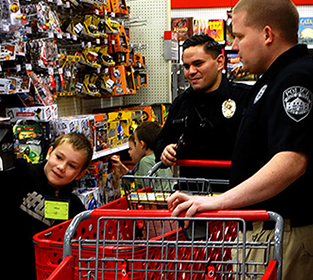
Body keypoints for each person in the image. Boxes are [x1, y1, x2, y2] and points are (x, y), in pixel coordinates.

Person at [167, 0, 313, 279]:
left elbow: (291, 160)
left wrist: (217, 201)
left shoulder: (295, 78)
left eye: (239, 36)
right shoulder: (274, 79)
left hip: (284, 234)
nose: (233, 46)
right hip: (268, 233)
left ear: (267, 35)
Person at [0, 105, 93, 280]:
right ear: (49, 152)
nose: (61, 167)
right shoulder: (19, 173)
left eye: (72, 166)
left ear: (80, 173)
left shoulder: (75, 208)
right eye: (59, 157)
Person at [155, 34, 251, 190]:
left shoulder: (245, 98)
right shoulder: (181, 102)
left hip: (235, 196)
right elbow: (162, 140)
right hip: (190, 196)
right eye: (186, 66)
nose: (191, 71)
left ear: (220, 62)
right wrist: (164, 150)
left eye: (198, 63)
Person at [112, 121, 173, 191]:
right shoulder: (160, 156)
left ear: (142, 144)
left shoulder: (145, 161)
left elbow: (148, 189)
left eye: (135, 142)